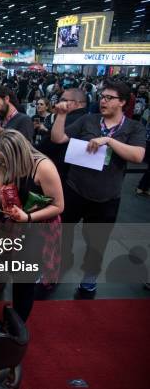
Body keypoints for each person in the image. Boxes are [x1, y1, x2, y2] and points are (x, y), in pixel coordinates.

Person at [51, 80, 146, 297]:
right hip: (75, 189)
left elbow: (138, 155)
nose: (103, 101)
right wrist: (61, 115)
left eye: (109, 98)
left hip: (107, 196)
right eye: (102, 97)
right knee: (62, 233)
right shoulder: (88, 120)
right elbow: (58, 138)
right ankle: (59, 267)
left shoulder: (134, 127)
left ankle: (89, 279)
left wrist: (109, 141)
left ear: (122, 102)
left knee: (97, 241)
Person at [0, 129, 64, 321]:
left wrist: (28, 218)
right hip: (15, 224)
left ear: (17, 154)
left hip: (38, 228)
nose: (2, 164)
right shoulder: (3, 163)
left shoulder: (44, 167)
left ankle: (18, 324)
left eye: (3, 159)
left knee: (23, 281)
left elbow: (58, 206)